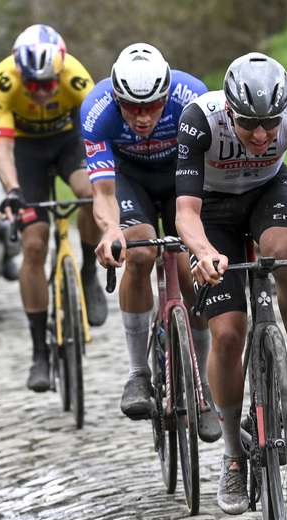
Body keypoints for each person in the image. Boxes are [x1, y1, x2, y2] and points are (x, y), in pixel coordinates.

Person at [175, 53, 287, 514]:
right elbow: (185, 212)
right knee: (228, 334)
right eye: (250, 123)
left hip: (268, 192)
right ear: (230, 110)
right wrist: (205, 253)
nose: (262, 134)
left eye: (270, 122)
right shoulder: (199, 122)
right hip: (212, 208)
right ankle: (233, 452)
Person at [83, 43, 220, 441]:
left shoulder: (192, 96)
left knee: (189, 271)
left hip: (182, 176)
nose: (142, 117)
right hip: (129, 181)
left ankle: (203, 383)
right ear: (116, 97)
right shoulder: (97, 109)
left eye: (153, 106)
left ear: (166, 94)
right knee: (140, 252)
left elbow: (215, 167)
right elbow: (104, 190)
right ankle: (138, 375)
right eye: (131, 107)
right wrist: (111, 230)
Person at [0, 24, 107, 393]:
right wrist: (12, 191)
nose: (41, 93)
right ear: (20, 75)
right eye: (33, 86)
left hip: (68, 141)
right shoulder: (4, 82)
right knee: (34, 244)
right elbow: (3, 151)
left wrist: (105, 183)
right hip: (26, 151)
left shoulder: (75, 77)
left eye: (48, 84)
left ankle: (88, 272)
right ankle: (39, 352)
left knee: (91, 193)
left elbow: (97, 136)